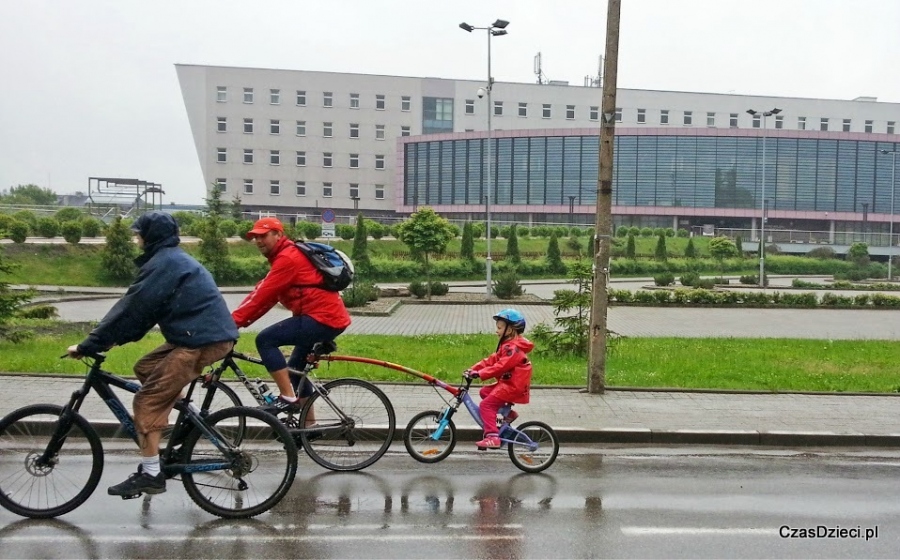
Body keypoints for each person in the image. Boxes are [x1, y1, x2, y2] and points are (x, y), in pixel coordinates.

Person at [67, 212, 237, 497]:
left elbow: (132, 307)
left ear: (151, 236)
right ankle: (185, 421)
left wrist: (89, 344)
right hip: (198, 335)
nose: (136, 239)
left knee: (146, 401)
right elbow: (144, 313)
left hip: (199, 340)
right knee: (146, 367)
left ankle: (151, 475)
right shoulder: (169, 260)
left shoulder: (165, 263)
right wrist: (112, 340)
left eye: (139, 234)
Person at [231, 217, 351, 422]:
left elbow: (263, 296)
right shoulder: (284, 258)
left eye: (263, 235)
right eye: (255, 237)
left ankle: (288, 397)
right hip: (325, 318)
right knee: (294, 370)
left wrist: (232, 324)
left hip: (321, 319)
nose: (258, 241)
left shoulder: (288, 258)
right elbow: (264, 298)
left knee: (265, 340)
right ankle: (309, 425)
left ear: (278, 234)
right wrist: (235, 322)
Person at [464, 309, 534, 449]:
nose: (497, 331)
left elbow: (500, 367)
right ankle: (508, 414)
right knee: (484, 392)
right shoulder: (507, 346)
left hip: (513, 386)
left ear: (510, 330)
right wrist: (474, 369)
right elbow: (491, 360)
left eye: (500, 327)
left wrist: (481, 374)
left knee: (486, 405)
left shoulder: (513, 349)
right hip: (509, 383)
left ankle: (492, 436)